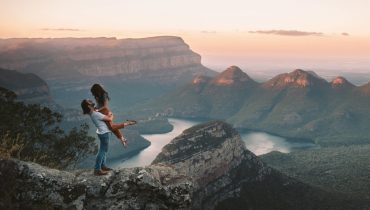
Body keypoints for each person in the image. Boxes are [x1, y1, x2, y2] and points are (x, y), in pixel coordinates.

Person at [80, 99, 132, 175]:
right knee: (102, 151)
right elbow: (109, 118)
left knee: (104, 150)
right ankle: (97, 169)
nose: (92, 102)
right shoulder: (95, 114)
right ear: (88, 106)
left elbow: (104, 117)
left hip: (101, 133)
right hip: (104, 133)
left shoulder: (93, 113)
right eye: (90, 102)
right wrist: (111, 114)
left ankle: (103, 166)